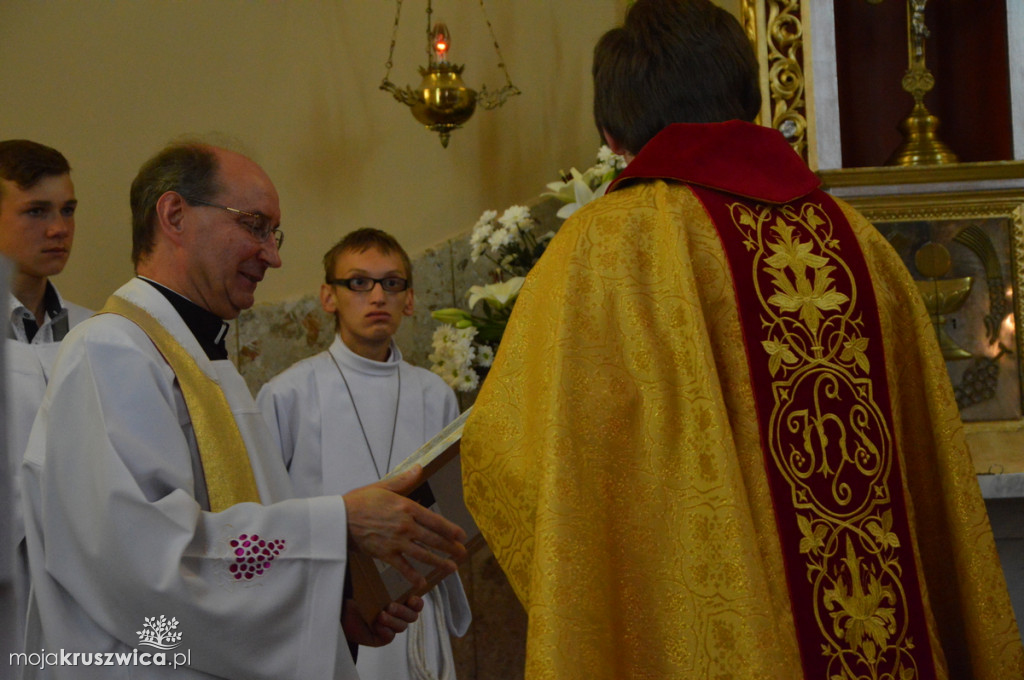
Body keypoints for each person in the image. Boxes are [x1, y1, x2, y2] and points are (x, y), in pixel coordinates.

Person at [459, 1, 1024, 678]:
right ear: (750, 100)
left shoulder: (601, 253)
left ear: (613, 132)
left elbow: (510, 464)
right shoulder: (858, 244)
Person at [19, 142, 467, 679]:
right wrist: (338, 522)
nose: (272, 255)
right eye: (254, 225)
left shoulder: (206, 367)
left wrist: (329, 615)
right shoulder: (112, 351)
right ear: (174, 215)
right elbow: (144, 563)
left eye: (272, 234)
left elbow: (230, 548)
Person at [258, 228, 470, 680]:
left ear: (409, 299)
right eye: (358, 282)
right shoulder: (288, 394)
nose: (377, 295)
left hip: (414, 604)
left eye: (391, 283)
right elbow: (265, 509)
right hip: (331, 607)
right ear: (328, 297)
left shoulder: (434, 395)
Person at [0, 139, 92, 651]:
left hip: (81, 587)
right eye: (36, 211)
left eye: (68, 210)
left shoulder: (99, 331)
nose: (59, 229)